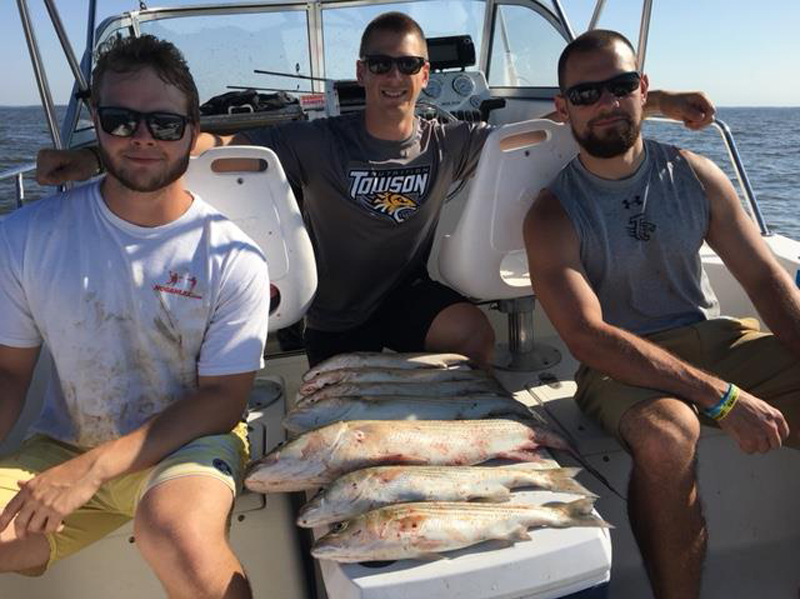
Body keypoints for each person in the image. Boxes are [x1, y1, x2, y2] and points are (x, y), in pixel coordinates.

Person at [36, 13, 714, 370]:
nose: (395, 76)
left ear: (426, 75)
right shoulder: (315, 142)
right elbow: (209, 145)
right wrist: (97, 153)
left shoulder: (454, 139)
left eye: (409, 65)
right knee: (338, 388)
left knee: (475, 335)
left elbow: (577, 110)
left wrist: (669, 100)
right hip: (330, 313)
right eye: (382, 64)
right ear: (362, 72)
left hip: (407, 295)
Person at [523, 29, 798, 599]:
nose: (606, 104)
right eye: (586, 94)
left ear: (642, 89)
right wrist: (722, 397)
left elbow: (766, 282)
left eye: (620, 86)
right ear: (563, 107)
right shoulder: (552, 213)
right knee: (670, 435)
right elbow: (587, 336)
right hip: (619, 365)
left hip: (715, 338)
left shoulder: (696, 176)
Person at [0, 35, 269, 599]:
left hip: (188, 440)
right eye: (122, 121)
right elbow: (9, 375)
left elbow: (222, 399)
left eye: (165, 125)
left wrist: (93, 471)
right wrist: (79, 466)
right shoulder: (24, 238)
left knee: (178, 539)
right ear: (96, 124)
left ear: (192, 132)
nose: (143, 138)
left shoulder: (233, 257)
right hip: (65, 443)